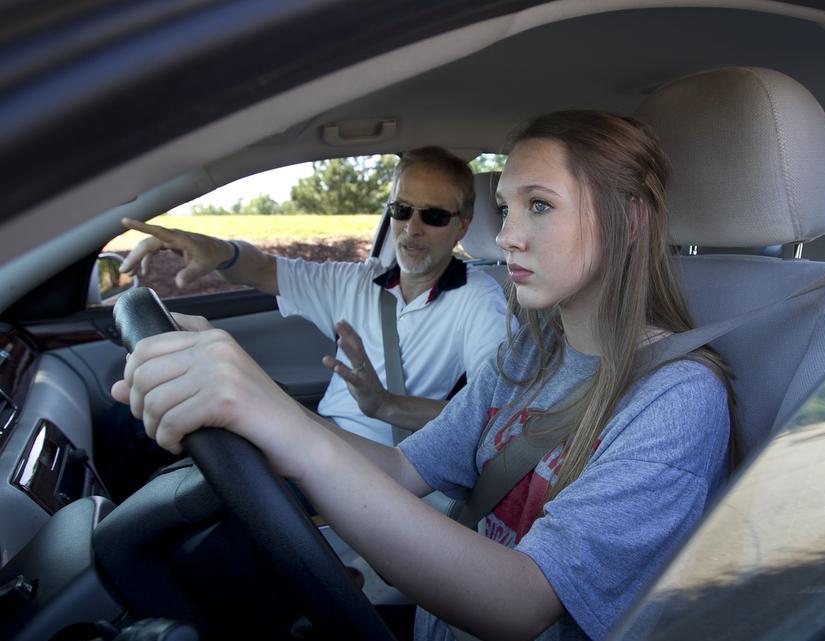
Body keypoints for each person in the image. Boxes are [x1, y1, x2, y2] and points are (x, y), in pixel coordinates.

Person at [113, 111, 733, 641]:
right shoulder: (525, 358)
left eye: (538, 206)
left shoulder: (676, 399)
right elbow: (403, 470)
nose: (509, 236)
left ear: (627, 221)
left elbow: (522, 604)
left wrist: (288, 421)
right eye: (505, 208)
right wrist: (255, 400)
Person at [118, 146, 510, 446]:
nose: (412, 229)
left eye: (434, 216)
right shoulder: (355, 281)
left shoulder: (479, 300)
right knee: (135, 428)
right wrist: (219, 251)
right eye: (402, 210)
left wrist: (386, 405)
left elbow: (489, 415)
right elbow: (264, 270)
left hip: (382, 471)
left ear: (461, 227)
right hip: (318, 437)